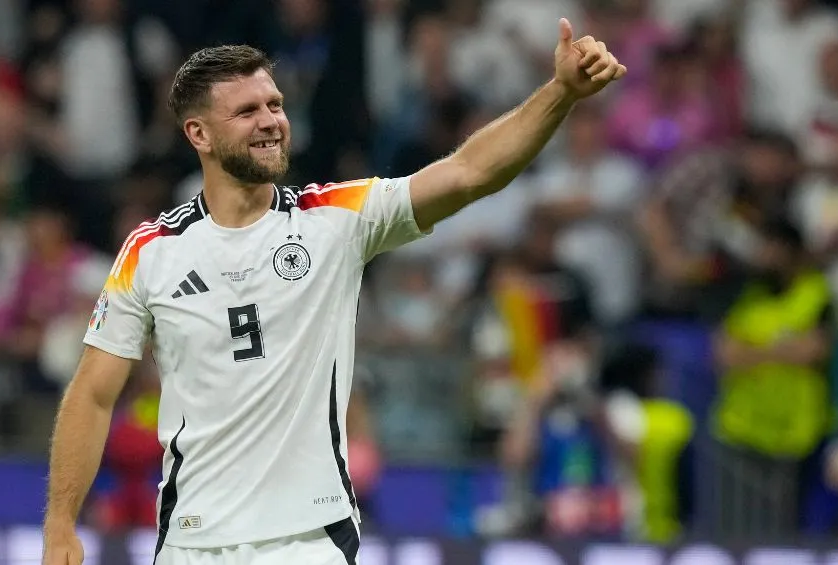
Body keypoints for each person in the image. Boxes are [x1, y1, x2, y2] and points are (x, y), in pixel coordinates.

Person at [42, 18, 626, 565]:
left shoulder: (334, 218)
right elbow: (94, 393)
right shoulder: (150, 251)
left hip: (309, 538)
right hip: (193, 541)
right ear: (198, 133)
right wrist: (60, 521)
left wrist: (559, 93)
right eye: (247, 111)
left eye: (274, 104)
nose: (271, 120)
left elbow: (471, 172)